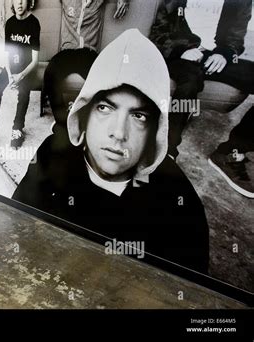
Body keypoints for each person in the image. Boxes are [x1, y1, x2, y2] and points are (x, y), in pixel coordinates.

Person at [13, 29, 209, 273]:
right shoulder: (51, 157)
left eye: (138, 116)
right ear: (85, 113)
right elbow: (15, 232)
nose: (118, 132)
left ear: (155, 129)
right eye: (105, 108)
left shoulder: (179, 206)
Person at [149, 0, 253, 197]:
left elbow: (234, 39)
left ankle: (230, 152)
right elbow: (160, 28)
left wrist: (225, 53)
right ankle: (167, 152)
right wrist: (181, 51)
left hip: (215, 57)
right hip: (181, 53)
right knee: (189, 82)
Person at [42, 0, 129, 134]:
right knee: (50, 73)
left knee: (104, 81)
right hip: (67, 52)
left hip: (88, 53)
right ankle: (62, 123)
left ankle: (88, 122)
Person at [0, 0, 41, 149]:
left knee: (24, 94)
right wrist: (10, 74)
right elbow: (6, 54)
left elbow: (35, 61)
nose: (19, 3)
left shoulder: (34, 23)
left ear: (29, 3)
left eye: (23, 0)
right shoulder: (10, 23)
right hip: (11, 68)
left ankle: (17, 130)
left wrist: (21, 76)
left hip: (27, 69)